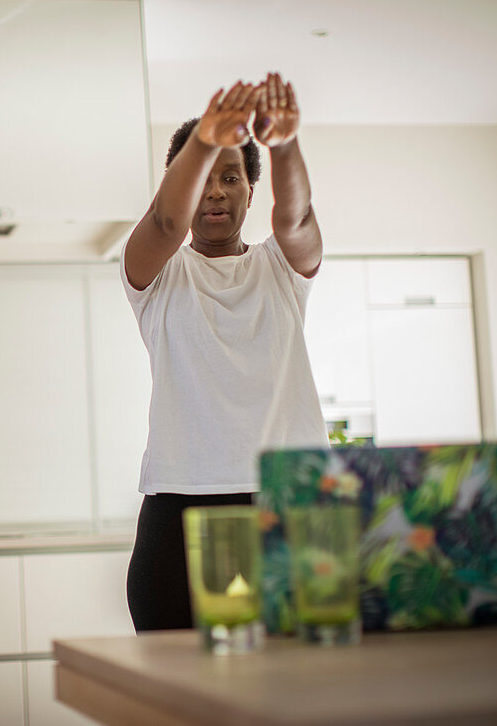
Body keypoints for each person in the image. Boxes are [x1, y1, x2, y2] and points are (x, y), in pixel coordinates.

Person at [122, 73, 328, 632]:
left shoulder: (281, 269)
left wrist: (282, 141)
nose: (216, 192)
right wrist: (206, 140)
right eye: (205, 180)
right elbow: (166, 221)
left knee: (292, 693)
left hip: (286, 500)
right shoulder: (159, 275)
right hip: (182, 507)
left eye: (231, 178)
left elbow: (298, 220)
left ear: (249, 191)